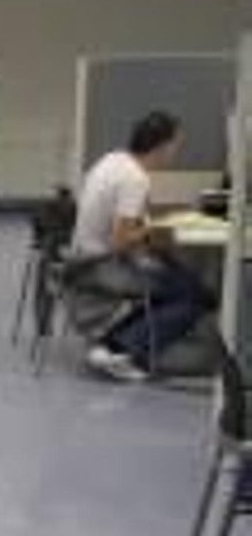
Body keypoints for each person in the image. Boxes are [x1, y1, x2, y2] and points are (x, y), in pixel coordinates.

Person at [70, 110, 215, 381]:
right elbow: (121, 240)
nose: (177, 151)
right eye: (176, 144)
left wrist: (158, 221)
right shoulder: (135, 178)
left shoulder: (114, 160)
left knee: (181, 279)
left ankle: (112, 343)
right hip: (101, 266)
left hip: (82, 258)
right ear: (162, 145)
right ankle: (123, 349)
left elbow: (128, 219)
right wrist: (154, 229)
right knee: (194, 295)